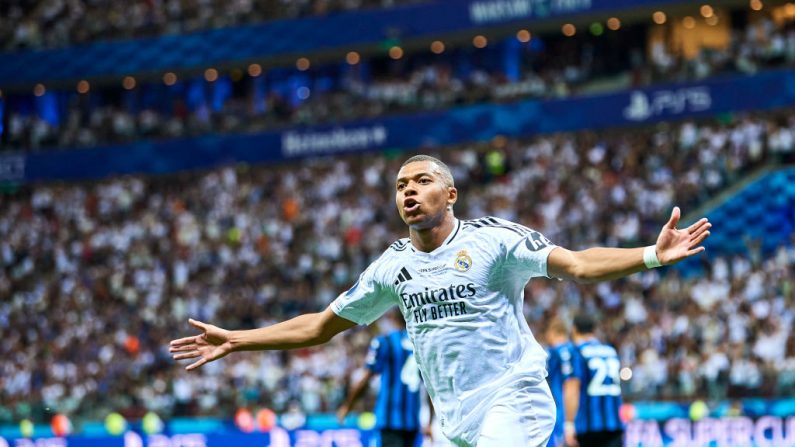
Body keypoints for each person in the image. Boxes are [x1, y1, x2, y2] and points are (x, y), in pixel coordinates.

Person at [169, 154, 711, 447]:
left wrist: (651, 256)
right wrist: (238, 340)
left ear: (449, 195)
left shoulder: (494, 240)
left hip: (512, 398)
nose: (408, 190)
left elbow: (576, 264)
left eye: (422, 180)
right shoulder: (391, 267)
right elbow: (321, 326)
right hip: (450, 420)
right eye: (401, 184)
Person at [337, 310, 425, 447]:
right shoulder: (419, 343)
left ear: (391, 318)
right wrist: (430, 420)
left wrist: (347, 406)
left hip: (389, 421)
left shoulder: (384, 341)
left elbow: (365, 379)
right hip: (412, 420)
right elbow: (430, 385)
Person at [564, 314, 624, 447]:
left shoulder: (577, 351)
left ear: (574, 329)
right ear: (594, 330)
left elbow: (572, 389)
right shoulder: (611, 351)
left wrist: (569, 424)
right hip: (614, 422)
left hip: (588, 426)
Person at [544, 318, 575, 447]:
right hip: (575, 405)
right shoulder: (576, 350)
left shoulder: (551, 352)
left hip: (557, 405)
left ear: (554, 332)